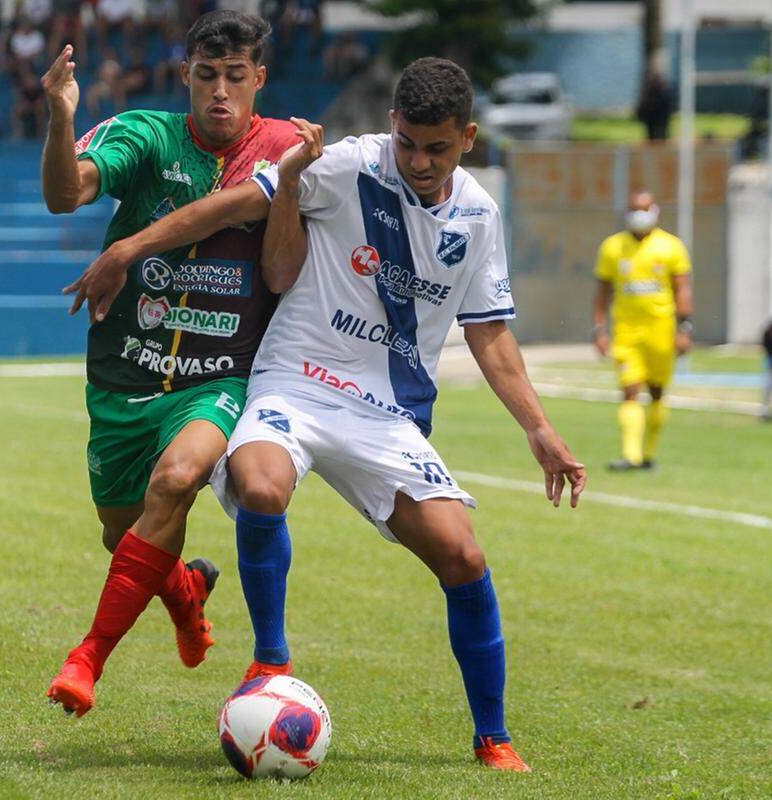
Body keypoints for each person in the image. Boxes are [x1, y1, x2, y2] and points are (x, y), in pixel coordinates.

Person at [69, 57, 587, 772]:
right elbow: (228, 207)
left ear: (467, 138)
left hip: (384, 415)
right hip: (293, 383)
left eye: (437, 147)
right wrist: (131, 246)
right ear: (391, 127)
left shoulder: (478, 215)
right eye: (408, 142)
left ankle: (492, 735)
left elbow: (489, 332)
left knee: (464, 555)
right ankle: (269, 661)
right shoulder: (342, 165)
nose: (419, 160)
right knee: (259, 484)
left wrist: (541, 431)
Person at [41, 11, 303, 718]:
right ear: (186, 74)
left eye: (236, 77)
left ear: (260, 80)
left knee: (180, 477)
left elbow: (258, 246)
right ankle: (184, 591)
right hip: (126, 368)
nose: (220, 91)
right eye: (207, 74)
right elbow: (66, 195)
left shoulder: (285, 148)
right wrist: (62, 121)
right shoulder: (146, 135)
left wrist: (129, 250)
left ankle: (87, 658)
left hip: (219, 374)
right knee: (120, 536)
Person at [592, 191, 693, 470]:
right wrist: (599, 329)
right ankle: (630, 455)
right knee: (630, 389)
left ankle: (649, 454)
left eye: (645, 209)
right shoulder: (612, 247)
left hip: (662, 330)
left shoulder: (671, 247)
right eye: (635, 210)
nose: (640, 215)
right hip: (627, 331)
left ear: (656, 211)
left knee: (658, 390)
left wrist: (685, 327)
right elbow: (602, 291)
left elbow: (682, 288)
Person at [635, 71, 671, 141]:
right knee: (658, 134)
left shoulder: (651, 92)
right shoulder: (660, 91)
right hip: (656, 118)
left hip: (656, 118)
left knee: (656, 134)